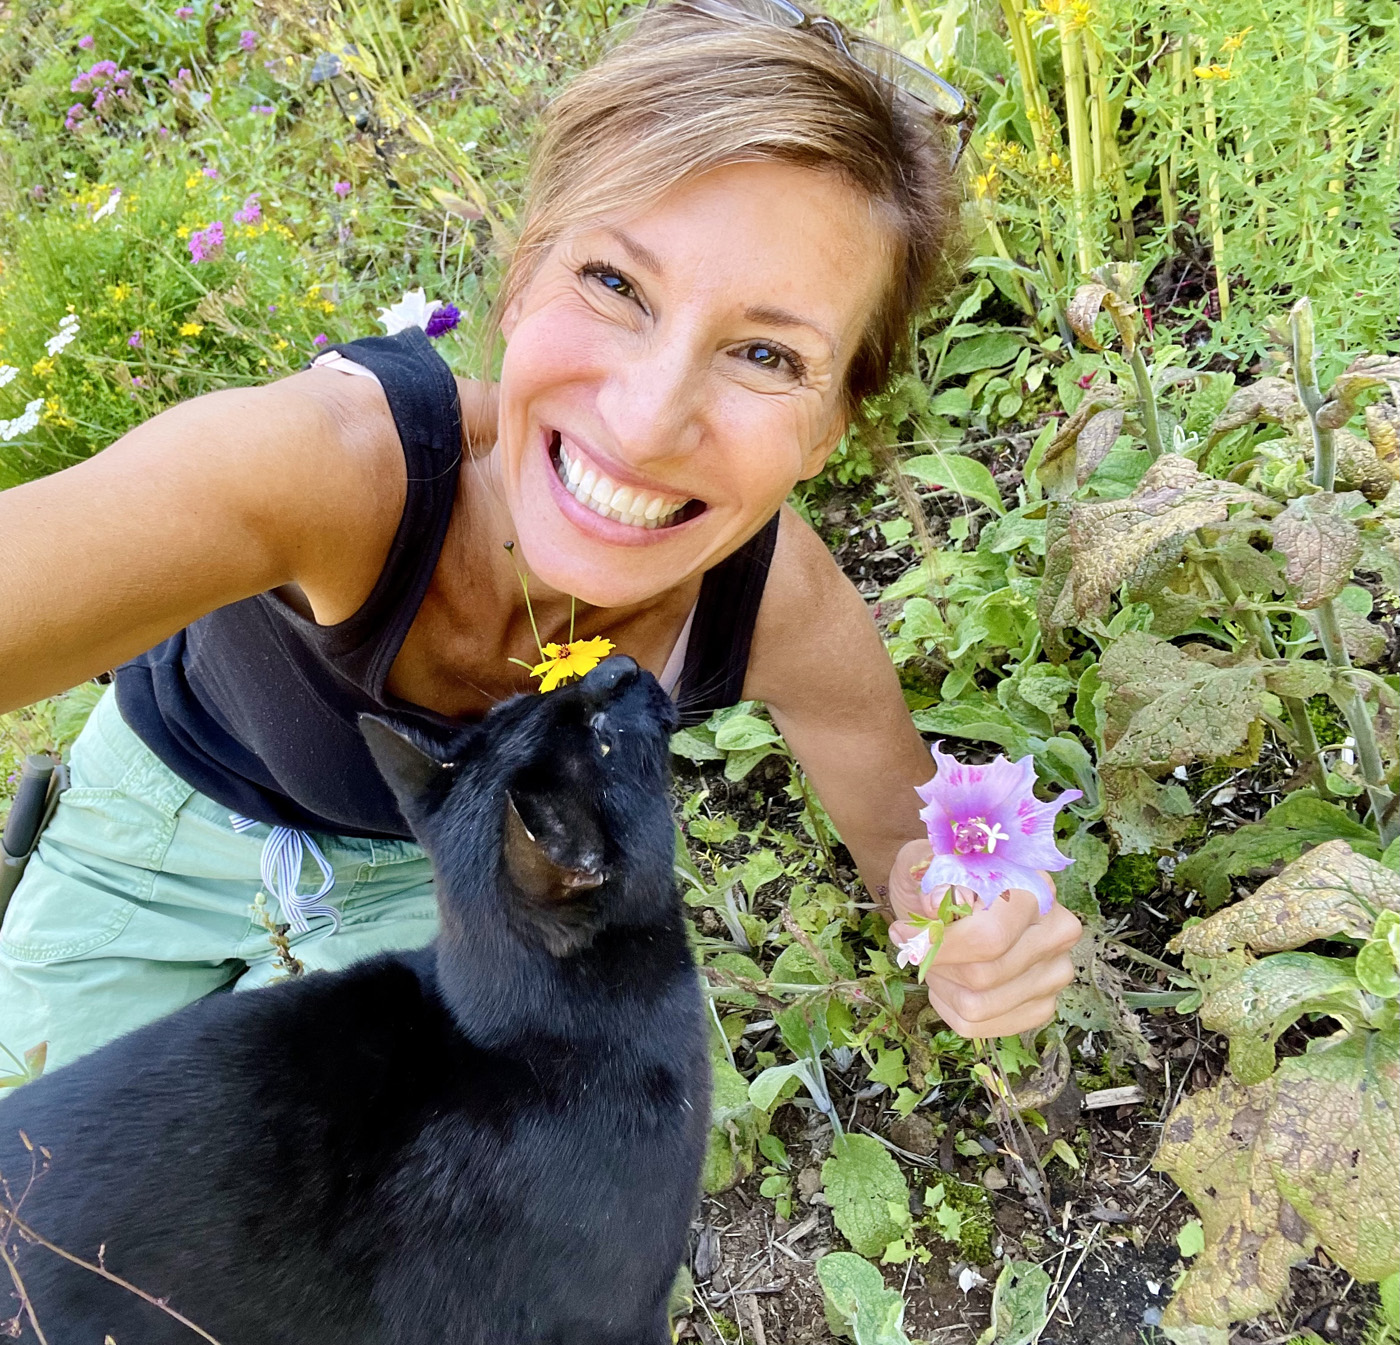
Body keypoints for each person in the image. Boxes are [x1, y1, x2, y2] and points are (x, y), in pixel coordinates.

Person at [0, 0, 1080, 1074]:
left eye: (766, 356)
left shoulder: (775, 610)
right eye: (614, 283)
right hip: (155, 824)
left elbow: (909, 849)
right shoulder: (331, 469)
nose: (646, 423)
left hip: (431, 884)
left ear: (829, 428)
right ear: (521, 279)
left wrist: (969, 933)